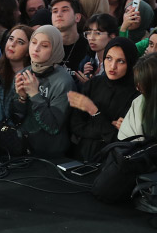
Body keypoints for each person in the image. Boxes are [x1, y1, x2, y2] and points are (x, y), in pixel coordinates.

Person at [68, 37, 140, 161]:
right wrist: (107, 126)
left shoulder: (135, 94)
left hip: (113, 161)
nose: (113, 66)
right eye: (109, 58)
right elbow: (75, 125)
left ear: (131, 63)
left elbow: (119, 139)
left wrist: (94, 112)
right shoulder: (93, 84)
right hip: (81, 155)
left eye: (121, 61)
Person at [10, 25, 74, 158]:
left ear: (55, 49)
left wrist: (34, 95)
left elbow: (53, 127)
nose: (36, 48)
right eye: (33, 43)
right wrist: (21, 99)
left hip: (51, 156)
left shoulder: (63, 82)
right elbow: (15, 120)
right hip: (23, 151)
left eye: (44, 45)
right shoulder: (23, 73)